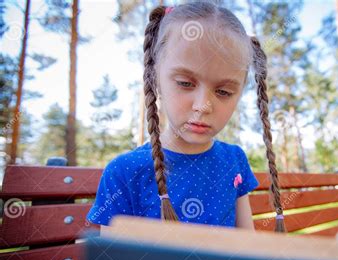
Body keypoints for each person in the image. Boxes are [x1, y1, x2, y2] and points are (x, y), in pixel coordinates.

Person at [86, 2, 286, 233]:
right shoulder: (125, 172)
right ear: (154, 78)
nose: (202, 106)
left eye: (223, 92)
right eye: (185, 83)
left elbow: (246, 245)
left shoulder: (234, 159)